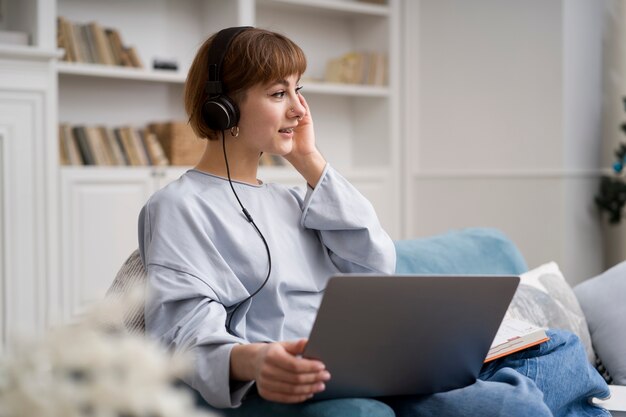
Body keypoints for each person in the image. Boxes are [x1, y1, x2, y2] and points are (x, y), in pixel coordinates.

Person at [138, 27, 611, 417]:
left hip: (383, 360)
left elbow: (374, 266)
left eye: (298, 90)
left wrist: (309, 160)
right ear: (222, 108)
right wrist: (255, 359)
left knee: (562, 347)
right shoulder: (179, 207)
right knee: (516, 405)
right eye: (278, 93)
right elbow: (182, 333)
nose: (299, 109)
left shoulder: (291, 198)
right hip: (319, 374)